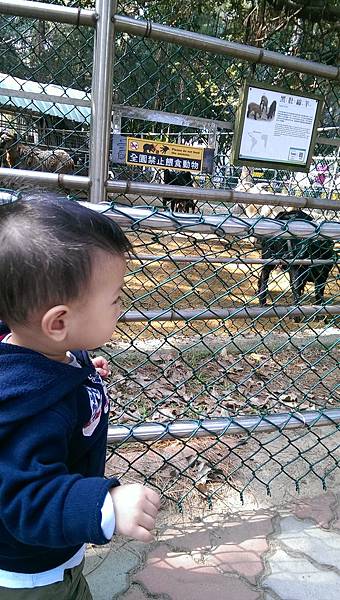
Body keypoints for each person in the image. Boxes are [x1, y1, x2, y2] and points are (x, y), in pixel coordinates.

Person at [0, 193, 160, 599]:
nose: (122, 306)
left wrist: (80, 372)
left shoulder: (39, 355)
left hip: (55, 557)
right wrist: (105, 506)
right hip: (31, 575)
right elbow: (26, 497)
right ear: (59, 322)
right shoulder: (28, 408)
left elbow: (51, 370)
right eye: (116, 299)